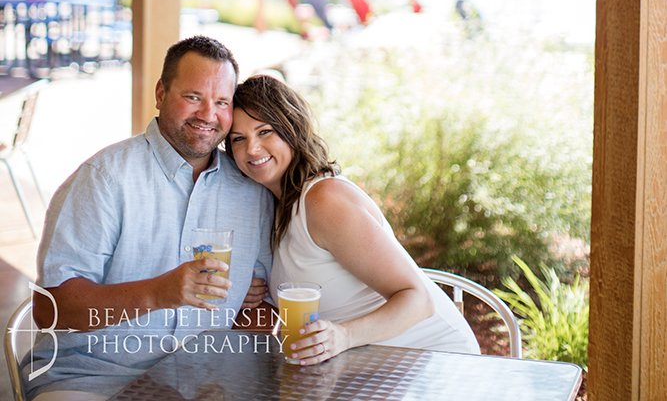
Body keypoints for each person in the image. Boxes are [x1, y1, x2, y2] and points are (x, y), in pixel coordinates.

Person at [27, 35, 273, 400]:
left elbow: (258, 308)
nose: (208, 115)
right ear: (161, 93)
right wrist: (159, 293)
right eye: (193, 97)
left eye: (221, 102)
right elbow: (52, 309)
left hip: (206, 381)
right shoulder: (105, 178)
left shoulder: (252, 192)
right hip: (93, 377)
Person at [227, 75, 479, 365]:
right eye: (238, 139)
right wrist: (246, 293)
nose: (252, 149)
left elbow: (418, 299)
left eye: (265, 131)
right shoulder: (277, 208)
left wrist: (343, 336)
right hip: (368, 364)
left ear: (292, 129)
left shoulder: (324, 200)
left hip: (434, 361)